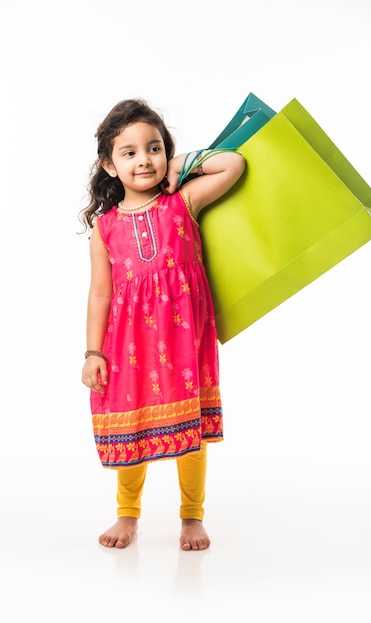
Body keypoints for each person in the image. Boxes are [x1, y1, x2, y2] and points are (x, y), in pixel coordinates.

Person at [79, 98, 245, 551]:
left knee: (188, 427)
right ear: (109, 166)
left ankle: (192, 516)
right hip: (128, 344)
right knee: (130, 425)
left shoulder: (183, 203)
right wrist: (93, 352)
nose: (143, 159)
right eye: (128, 152)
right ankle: (127, 513)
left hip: (182, 339)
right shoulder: (105, 228)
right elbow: (100, 293)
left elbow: (233, 164)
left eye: (153, 148)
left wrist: (180, 164)